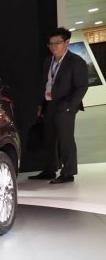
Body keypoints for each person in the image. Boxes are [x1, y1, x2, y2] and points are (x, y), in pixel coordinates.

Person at [29, 26, 88, 184]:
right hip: (49, 104)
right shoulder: (48, 61)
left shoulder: (76, 61)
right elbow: (44, 83)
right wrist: (40, 104)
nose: (53, 46)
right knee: (49, 139)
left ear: (66, 42)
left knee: (65, 140)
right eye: (50, 44)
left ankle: (68, 173)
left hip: (65, 105)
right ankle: (50, 170)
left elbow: (82, 86)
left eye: (57, 43)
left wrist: (70, 106)